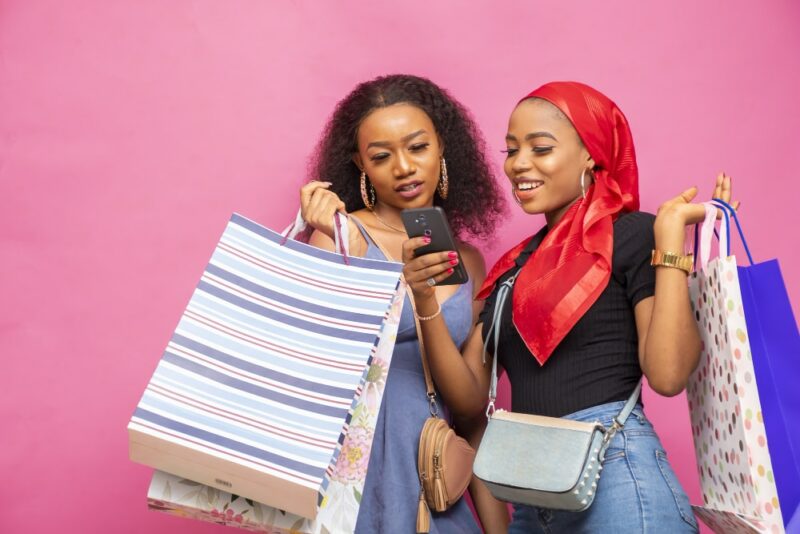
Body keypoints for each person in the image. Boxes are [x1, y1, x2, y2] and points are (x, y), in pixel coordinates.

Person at [402, 81, 738, 533]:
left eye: (540, 148)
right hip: (530, 490)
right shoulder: (511, 270)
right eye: (511, 149)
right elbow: (466, 400)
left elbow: (668, 374)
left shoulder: (633, 235)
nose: (519, 164)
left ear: (590, 154)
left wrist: (671, 238)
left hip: (617, 479)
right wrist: (424, 301)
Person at [299, 74, 506, 533]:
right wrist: (329, 249)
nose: (404, 168)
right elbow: (310, 368)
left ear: (442, 147)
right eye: (381, 156)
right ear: (361, 165)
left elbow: (471, 414)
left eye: (417, 147)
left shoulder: (469, 262)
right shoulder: (343, 236)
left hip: (433, 472)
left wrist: (499, 529)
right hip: (359, 476)